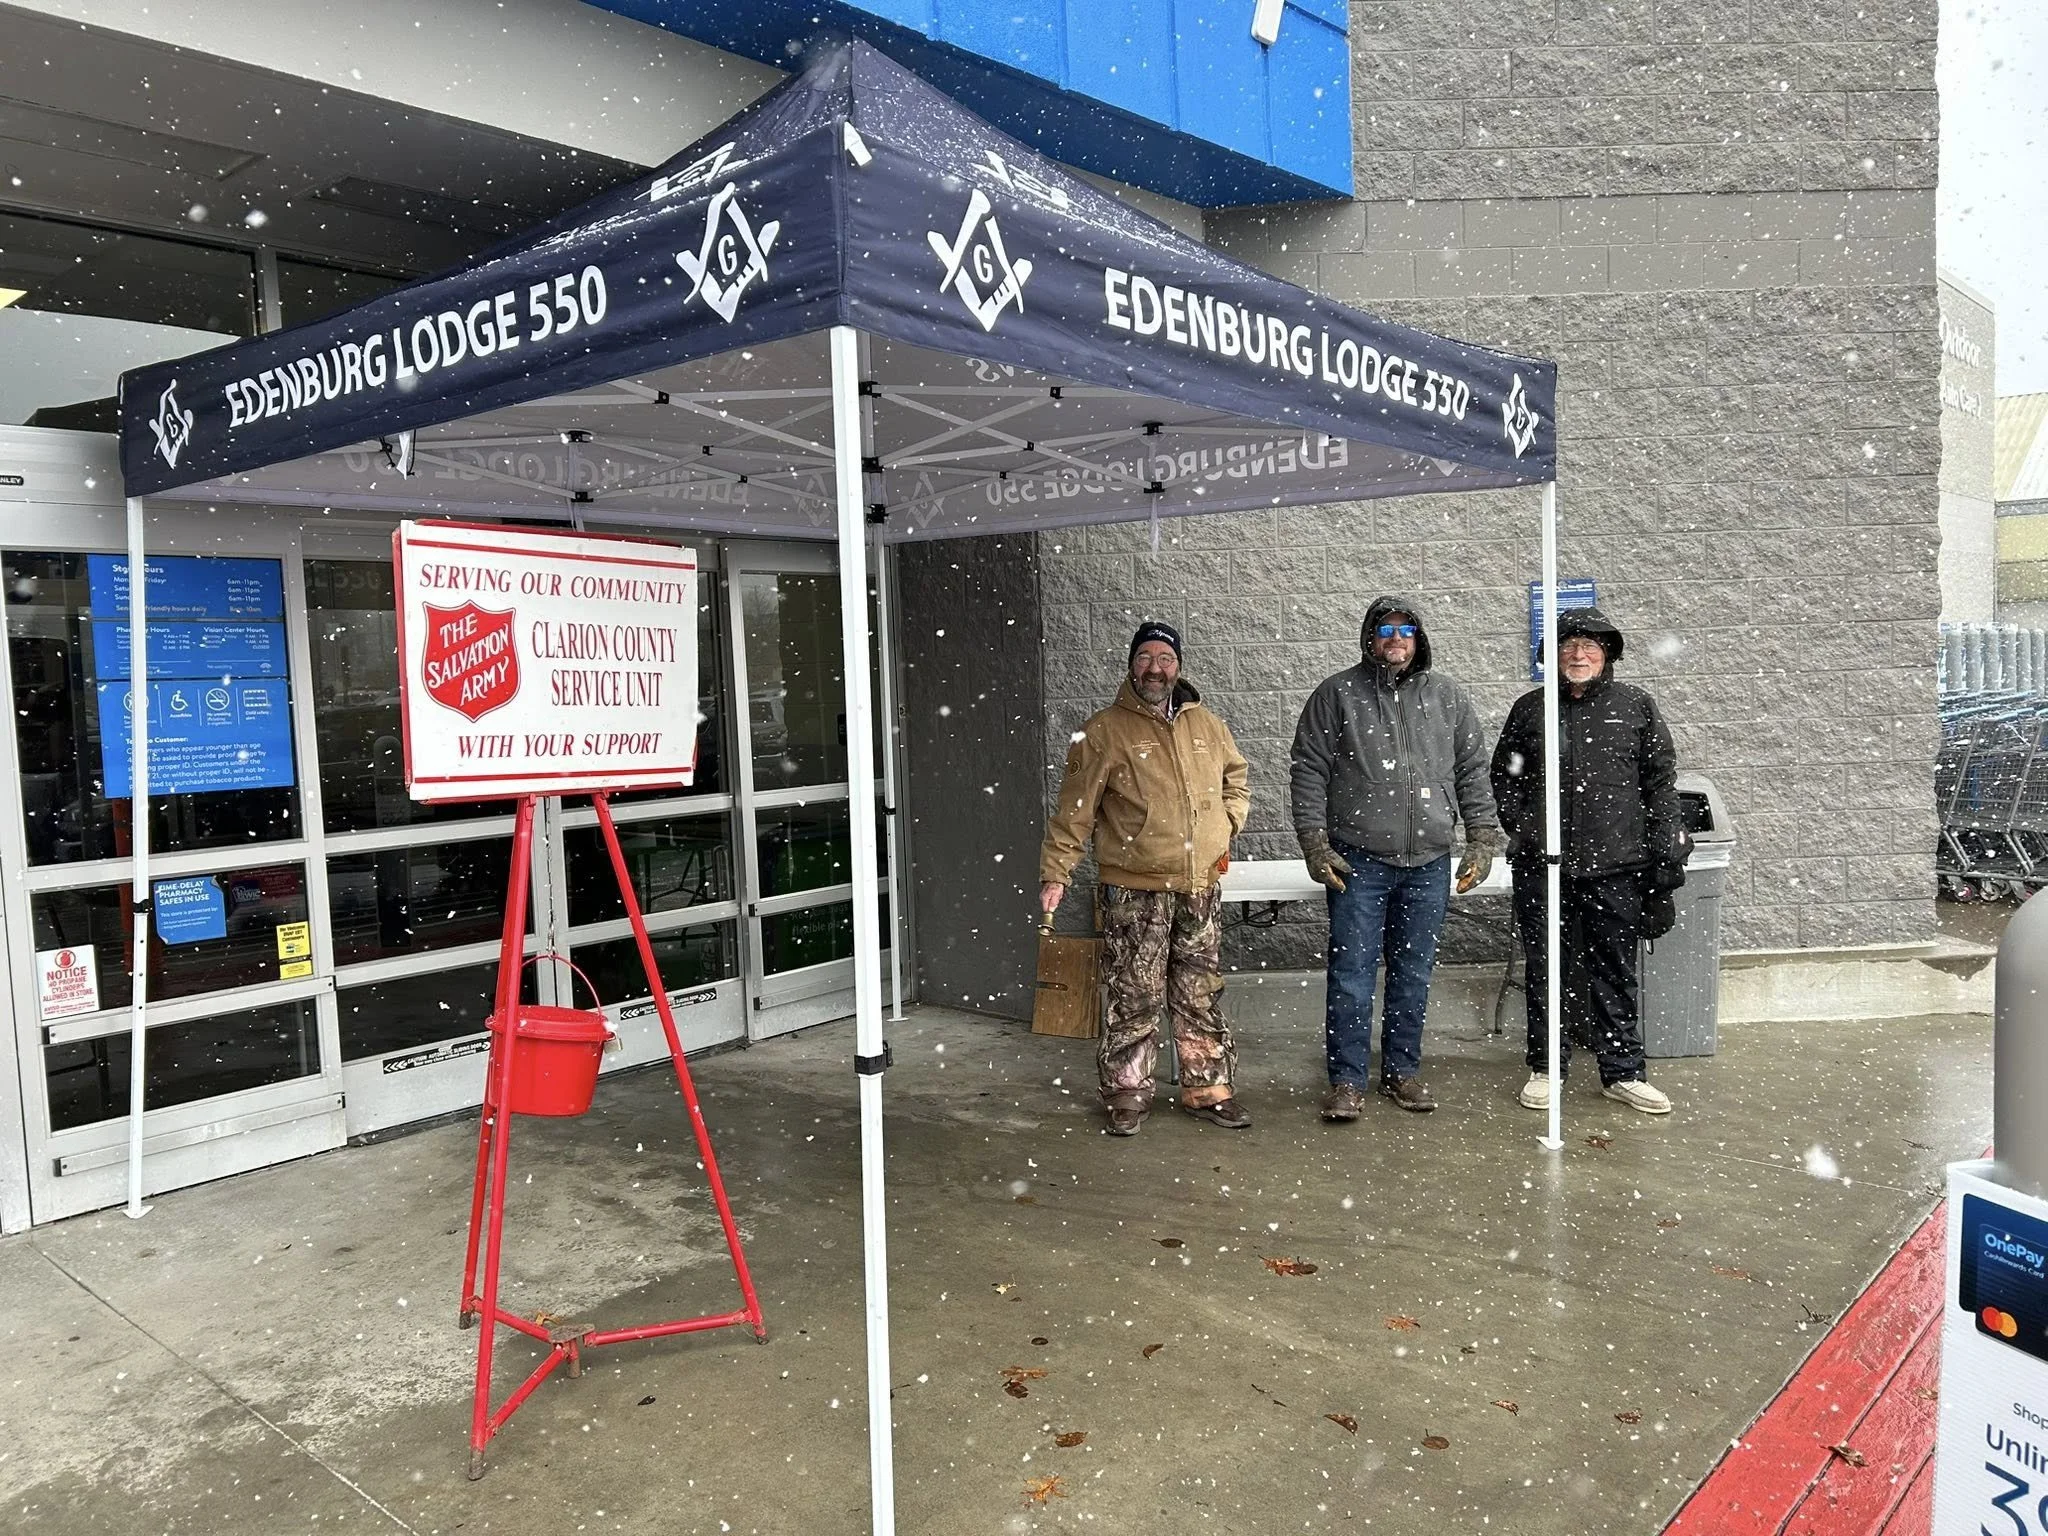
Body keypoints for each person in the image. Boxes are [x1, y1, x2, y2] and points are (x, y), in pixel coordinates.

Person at [1040, 622, 1252, 1136]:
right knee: (1134, 993)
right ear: (1131, 663)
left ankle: (1206, 1086)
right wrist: (1056, 873)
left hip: (1199, 886)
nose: (1156, 668)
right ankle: (1127, 1092)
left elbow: (1236, 778)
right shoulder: (1102, 731)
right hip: (1134, 890)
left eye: (1165, 657)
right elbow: (1074, 813)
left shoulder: (1206, 725)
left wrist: (1226, 827)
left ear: (1179, 665)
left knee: (1198, 989)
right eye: (1145, 657)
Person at [1290, 596, 1499, 1119]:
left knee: (1413, 972)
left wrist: (1481, 839)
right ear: (1370, 637)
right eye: (1385, 629)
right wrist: (1315, 844)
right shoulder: (1338, 694)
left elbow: (1473, 770)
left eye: (1405, 629)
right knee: (1352, 973)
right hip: (1358, 862)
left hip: (1429, 862)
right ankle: (1347, 1081)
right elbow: (1308, 769)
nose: (1395, 638)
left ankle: (1402, 1072)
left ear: (1419, 637)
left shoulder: (1446, 696)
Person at [1491, 607, 1685, 1116]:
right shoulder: (1530, 710)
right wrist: (1525, 827)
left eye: (1590, 646)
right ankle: (1547, 1068)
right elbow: (1506, 774)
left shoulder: (1636, 707)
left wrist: (1663, 855)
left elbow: (1659, 785)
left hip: (1616, 867)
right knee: (1546, 968)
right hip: (1544, 866)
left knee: (1614, 970)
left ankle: (1623, 1071)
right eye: (1569, 646)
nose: (1579, 655)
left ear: (1608, 655)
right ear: (1551, 656)